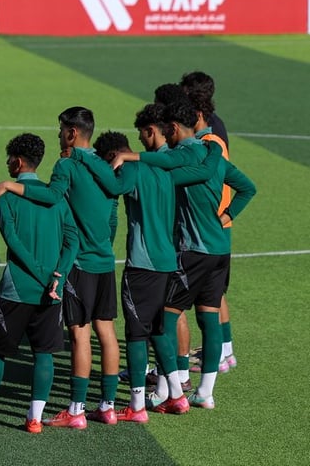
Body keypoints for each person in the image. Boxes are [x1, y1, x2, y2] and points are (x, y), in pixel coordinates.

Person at [112, 97, 255, 410]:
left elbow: (165, 171)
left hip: (193, 250)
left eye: (167, 130)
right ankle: (205, 392)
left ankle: (167, 388)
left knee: (163, 318)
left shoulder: (181, 157)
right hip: (220, 250)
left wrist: (131, 159)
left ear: (173, 128)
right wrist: (227, 216)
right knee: (208, 316)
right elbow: (248, 187)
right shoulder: (212, 155)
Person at [0, 107, 120, 428]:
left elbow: (51, 196)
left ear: (72, 133)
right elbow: (113, 213)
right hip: (105, 259)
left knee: (79, 334)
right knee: (107, 331)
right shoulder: (104, 167)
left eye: (61, 129)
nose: (59, 135)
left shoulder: (67, 164)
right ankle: (108, 406)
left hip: (80, 262)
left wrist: (10, 185)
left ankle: (76, 410)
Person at [0, 134, 78, 434]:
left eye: (9, 159)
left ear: (19, 162)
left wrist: (41, 274)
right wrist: (58, 275)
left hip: (18, 289)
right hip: (52, 292)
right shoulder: (57, 198)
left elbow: (13, 240)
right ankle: (35, 419)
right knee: (44, 353)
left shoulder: (5, 197)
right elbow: (72, 241)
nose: (7, 163)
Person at [70, 119, 185, 420]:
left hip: (143, 264)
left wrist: (84, 157)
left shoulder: (132, 169)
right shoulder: (161, 168)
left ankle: (136, 407)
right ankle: (177, 395)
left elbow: (114, 186)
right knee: (158, 330)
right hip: (167, 260)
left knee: (135, 334)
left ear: (113, 156)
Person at [183, 72, 238, 374]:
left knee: (210, 295)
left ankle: (221, 353)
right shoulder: (216, 124)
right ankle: (224, 351)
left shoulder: (208, 132)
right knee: (215, 292)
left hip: (212, 218)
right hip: (218, 217)